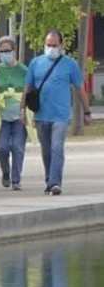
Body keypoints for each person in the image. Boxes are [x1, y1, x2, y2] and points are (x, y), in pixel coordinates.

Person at [22, 30, 91, 195]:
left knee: (57, 148)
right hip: (41, 115)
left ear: (61, 45)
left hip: (60, 115)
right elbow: (27, 88)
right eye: (48, 45)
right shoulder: (36, 63)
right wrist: (22, 110)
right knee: (46, 150)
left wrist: (86, 111)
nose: (51, 48)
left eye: (54, 45)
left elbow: (80, 88)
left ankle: (55, 182)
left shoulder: (70, 64)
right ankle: (49, 180)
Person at [0, 35, 29, 190]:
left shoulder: (23, 70)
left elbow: (29, 91)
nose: (4, 54)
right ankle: (6, 171)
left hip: (19, 117)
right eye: (1, 51)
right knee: (2, 148)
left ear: (14, 51)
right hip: (2, 117)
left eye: (7, 50)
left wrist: (25, 111)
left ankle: (16, 179)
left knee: (17, 148)